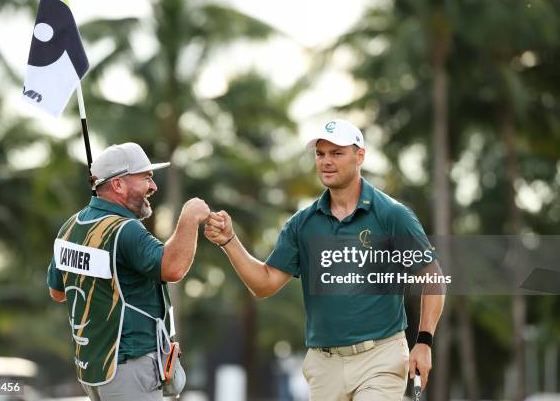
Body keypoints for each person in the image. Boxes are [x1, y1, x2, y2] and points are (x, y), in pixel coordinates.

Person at [205, 119, 445, 400]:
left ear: (360, 156)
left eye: (336, 153)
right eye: (320, 154)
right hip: (324, 366)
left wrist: (424, 342)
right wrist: (229, 242)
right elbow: (265, 284)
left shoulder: (392, 215)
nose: (326, 162)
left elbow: (432, 277)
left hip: (380, 358)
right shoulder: (301, 225)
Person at [47, 142, 209, 401]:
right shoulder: (125, 229)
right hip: (130, 367)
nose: (153, 187)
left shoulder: (70, 227)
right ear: (118, 184)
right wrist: (190, 217)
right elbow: (173, 267)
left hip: (93, 370)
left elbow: (58, 292)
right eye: (146, 178)